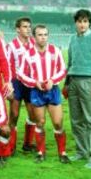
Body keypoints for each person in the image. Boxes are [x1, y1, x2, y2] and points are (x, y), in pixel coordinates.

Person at [19, 25, 69, 164]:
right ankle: (41, 152)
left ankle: (62, 153)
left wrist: (53, 80)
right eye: (40, 35)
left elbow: (62, 70)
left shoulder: (55, 50)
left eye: (45, 34)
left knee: (58, 123)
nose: (43, 37)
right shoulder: (28, 54)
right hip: (37, 92)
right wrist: (35, 83)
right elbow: (21, 74)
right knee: (40, 122)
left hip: (52, 91)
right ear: (34, 37)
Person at [65, 9, 91, 169]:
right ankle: (81, 152)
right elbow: (70, 62)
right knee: (76, 120)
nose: (82, 24)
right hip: (73, 81)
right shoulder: (72, 39)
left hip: (89, 82)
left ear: (89, 23)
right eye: (79, 21)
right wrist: (67, 83)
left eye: (85, 21)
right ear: (75, 23)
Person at [6, 17, 36, 153]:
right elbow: (7, 66)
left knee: (33, 114)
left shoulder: (34, 44)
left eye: (29, 26)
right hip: (16, 82)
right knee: (14, 114)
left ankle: (28, 144)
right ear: (18, 29)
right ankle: (10, 145)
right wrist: (9, 86)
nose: (28, 29)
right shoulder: (11, 45)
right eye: (25, 26)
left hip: (30, 82)